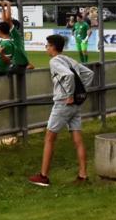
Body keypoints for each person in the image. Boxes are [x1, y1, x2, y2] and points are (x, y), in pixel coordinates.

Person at [29, 35, 94, 186]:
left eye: (47, 45)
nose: (46, 48)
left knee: (49, 138)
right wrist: (82, 92)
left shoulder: (55, 61)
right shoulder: (69, 59)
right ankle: (83, 175)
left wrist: (70, 95)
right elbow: (89, 74)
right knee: (77, 139)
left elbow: (68, 75)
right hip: (76, 105)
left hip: (63, 103)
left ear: (52, 47)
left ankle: (43, 176)